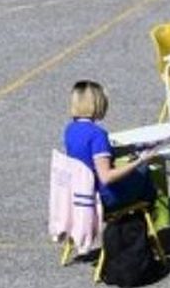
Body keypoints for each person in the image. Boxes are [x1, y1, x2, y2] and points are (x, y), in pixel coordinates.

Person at [62, 80, 157, 212]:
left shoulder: (70, 129)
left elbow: (90, 155)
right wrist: (140, 160)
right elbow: (106, 177)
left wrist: (130, 148)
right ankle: (147, 217)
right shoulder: (98, 135)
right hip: (104, 198)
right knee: (145, 172)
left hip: (81, 191)